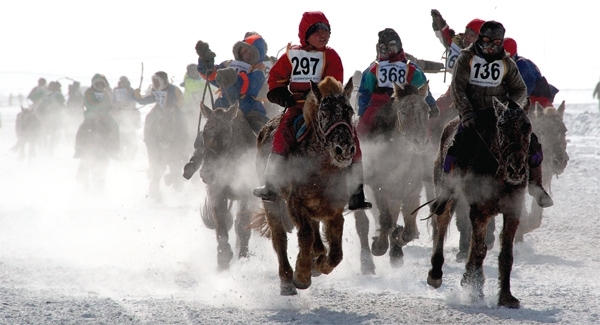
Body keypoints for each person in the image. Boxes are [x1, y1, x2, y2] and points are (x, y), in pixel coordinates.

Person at [430, 20, 553, 215]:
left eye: (495, 42)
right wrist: (466, 111)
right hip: (473, 113)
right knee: (455, 145)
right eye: (486, 40)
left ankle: (535, 186)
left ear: (501, 42)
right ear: (480, 38)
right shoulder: (467, 58)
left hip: (500, 114)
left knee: (531, 141)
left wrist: (511, 107)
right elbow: (458, 87)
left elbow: (519, 88)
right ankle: (446, 191)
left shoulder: (506, 62)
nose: (490, 46)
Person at [252, 11, 371, 210]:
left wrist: (318, 96)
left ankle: (356, 193)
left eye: (327, 31)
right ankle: (271, 185)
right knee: (282, 134)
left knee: (352, 139)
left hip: (325, 107)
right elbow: (276, 78)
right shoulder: (291, 55)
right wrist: (281, 93)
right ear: (306, 33)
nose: (324, 34)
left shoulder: (331, 56)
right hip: (297, 106)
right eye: (318, 31)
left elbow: (333, 83)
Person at [182, 33, 271, 180]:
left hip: (250, 111)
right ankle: (195, 161)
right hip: (222, 109)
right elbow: (210, 75)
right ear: (239, 50)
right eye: (245, 50)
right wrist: (206, 60)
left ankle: (266, 173)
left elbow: (249, 87)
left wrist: (232, 79)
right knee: (208, 131)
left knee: (266, 136)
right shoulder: (228, 64)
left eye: (251, 52)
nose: (246, 54)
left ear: (258, 55)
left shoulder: (258, 70)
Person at [356, 28, 438, 137]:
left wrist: (430, 103)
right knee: (361, 131)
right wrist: (362, 112)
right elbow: (365, 92)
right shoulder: (374, 69)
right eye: (384, 47)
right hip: (379, 105)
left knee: (422, 128)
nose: (388, 50)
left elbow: (423, 89)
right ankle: (358, 149)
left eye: (391, 45)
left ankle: (426, 148)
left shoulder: (411, 68)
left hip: (407, 105)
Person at [503, 37, 559, 110]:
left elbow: (527, 87)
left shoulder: (521, 65)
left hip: (537, 104)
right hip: (536, 102)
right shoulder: (519, 63)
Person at [74, 73, 119, 159]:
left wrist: (111, 108)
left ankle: (114, 150)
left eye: (102, 84)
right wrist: (101, 107)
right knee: (82, 128)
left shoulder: (106, 93)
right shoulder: (88, 92)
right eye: (98, 83)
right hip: (91, 115)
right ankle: (79, 149)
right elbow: (90, 105)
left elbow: (109, 105)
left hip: (104, 116)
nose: (100, 85)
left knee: (115, 127)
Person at [112, 76, 141, 162]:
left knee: (136, 112)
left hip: (129, 112)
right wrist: (117, 105)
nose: (123, 84)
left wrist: (134, 99)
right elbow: (113, 101)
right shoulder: (115, 90)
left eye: (124, 82)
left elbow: (135, 100)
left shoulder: (131, 90)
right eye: (121, 82)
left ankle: (136, 124)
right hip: (118, 111)